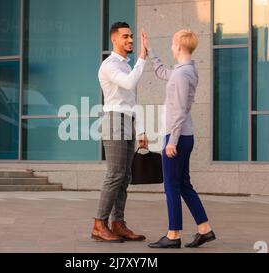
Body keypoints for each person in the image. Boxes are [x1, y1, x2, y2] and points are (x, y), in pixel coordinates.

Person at [144, 29, 216, 248]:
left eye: (172, 44)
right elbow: (163, 73)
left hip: (177, 136)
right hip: (183, 135)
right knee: (183, 184)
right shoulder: (185, 70)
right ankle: (204, 229)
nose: (171, 47)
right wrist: (150, 52)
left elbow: (182, 109)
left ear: (179, 46)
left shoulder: (182, 74)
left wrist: (171, 141)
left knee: (172, 186)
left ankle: (173, 235)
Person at [91, 22, 149, 243]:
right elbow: (129, 82)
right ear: (114, 39)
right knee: (115, 174)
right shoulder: (110, 65)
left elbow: (132, 100)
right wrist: (143, 57)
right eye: (125, 36)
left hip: (128, 121)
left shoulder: (126, 64)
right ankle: (99, 224)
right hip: (114, 121)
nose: (131, 40)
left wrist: (141, 129)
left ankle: (118, 223)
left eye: (132, 36)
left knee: (125, 176)